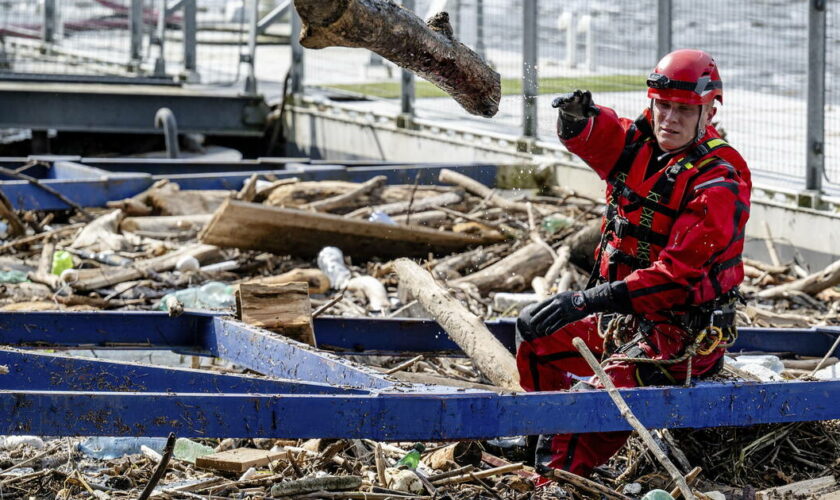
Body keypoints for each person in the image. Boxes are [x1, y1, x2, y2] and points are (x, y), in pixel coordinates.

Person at [515, 49, 751, 477]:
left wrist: (586, 301)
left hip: (682, 339)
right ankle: (539, 441)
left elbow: (677, 278)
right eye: (663, 106)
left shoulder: (719, 182)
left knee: (596, 397)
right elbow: (605, 136)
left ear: (709, 111)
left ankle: (556, 477)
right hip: (622, 322)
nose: (670, 119)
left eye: (684, 110)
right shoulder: (641, 144)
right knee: (536, 336)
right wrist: (577, 120)